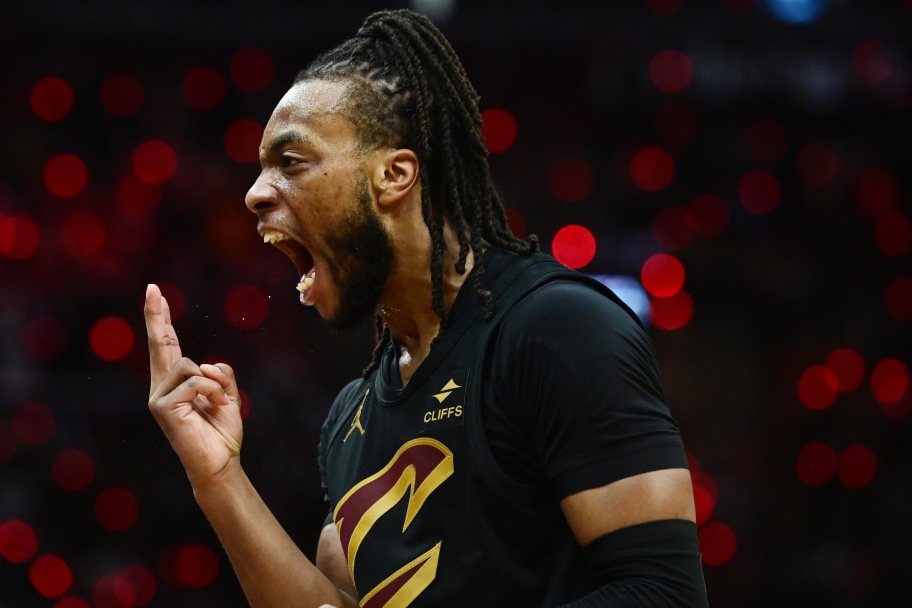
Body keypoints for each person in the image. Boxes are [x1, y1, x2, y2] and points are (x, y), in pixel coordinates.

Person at [144, 9, 708, 607]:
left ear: (394, 175)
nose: (255, 193)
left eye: (291, 162)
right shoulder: (349, 418)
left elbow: (665, 594)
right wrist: (218, 479)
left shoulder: (556, 330)